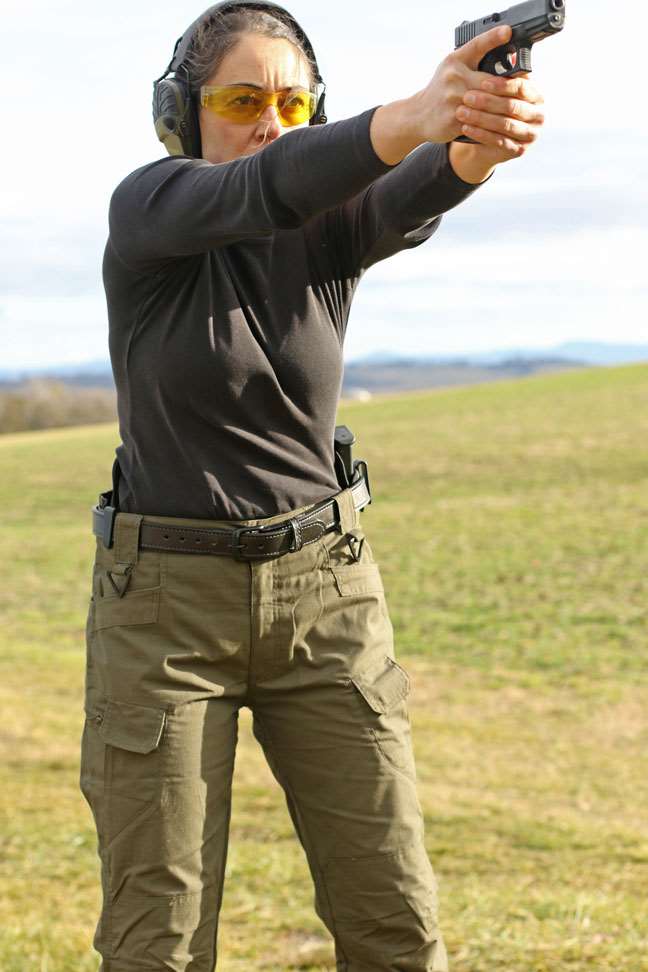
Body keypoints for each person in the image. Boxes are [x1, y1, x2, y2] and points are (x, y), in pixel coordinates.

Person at [79, 2, 545, 970]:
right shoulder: (150, 211)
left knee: (393, 920)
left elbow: (409, 189)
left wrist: (477, 133)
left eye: (295, 103)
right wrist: (415, 114)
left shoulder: (328, 235)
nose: (271, 122)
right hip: (165, 614)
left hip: (324, 596)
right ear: (186, 114)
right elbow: (278, 181)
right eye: (244, 98)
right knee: (153, 940)